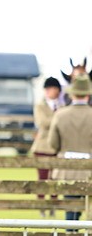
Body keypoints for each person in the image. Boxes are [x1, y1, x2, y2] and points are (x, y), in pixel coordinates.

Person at [47, 74, 92, 222]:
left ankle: (70, 235)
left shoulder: (60, 115)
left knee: (70, 205)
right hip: (89, 168)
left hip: (67, 168)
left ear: (72, 94)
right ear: (88, 94)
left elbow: (53, 143)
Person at [32, 77, 66, 215]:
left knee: (55, 177)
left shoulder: (63, 106)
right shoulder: (40, 106)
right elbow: (43, 123)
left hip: (58, 147)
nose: (49, 91)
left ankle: (53, 206)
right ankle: (41, 205)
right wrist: (58, 120)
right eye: (47, 89)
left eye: (51, 89)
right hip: (42, 147)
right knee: (42, 178)